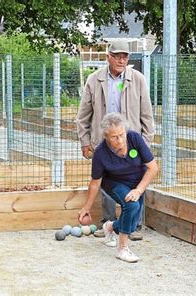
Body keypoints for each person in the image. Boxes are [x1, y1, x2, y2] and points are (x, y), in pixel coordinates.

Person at [76, 40, 155, 241]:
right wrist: (85, 141)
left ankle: (134, 225)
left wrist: (145, 141)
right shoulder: (94, 80)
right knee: (105, 180)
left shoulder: (137, 79)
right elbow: (83, 115)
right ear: (108, 56)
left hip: (131, 141)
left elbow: (147, 113)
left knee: (138, 177)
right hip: (104, 140)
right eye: (117, 56)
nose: (122, 60)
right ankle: (108, 221)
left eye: (125, 57)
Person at [78, 113, 158, 262]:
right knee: (132, 205)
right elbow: (95, 183)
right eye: (114, 137)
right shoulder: (100, 153)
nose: (120, 140)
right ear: (106, 137)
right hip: (114, 182)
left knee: (132, 224)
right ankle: (122, 249)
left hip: (136, 183)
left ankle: (110, 226)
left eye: (122, 134)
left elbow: (153, 168)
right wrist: (86, 208)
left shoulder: (134, 138)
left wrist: (138, 190)